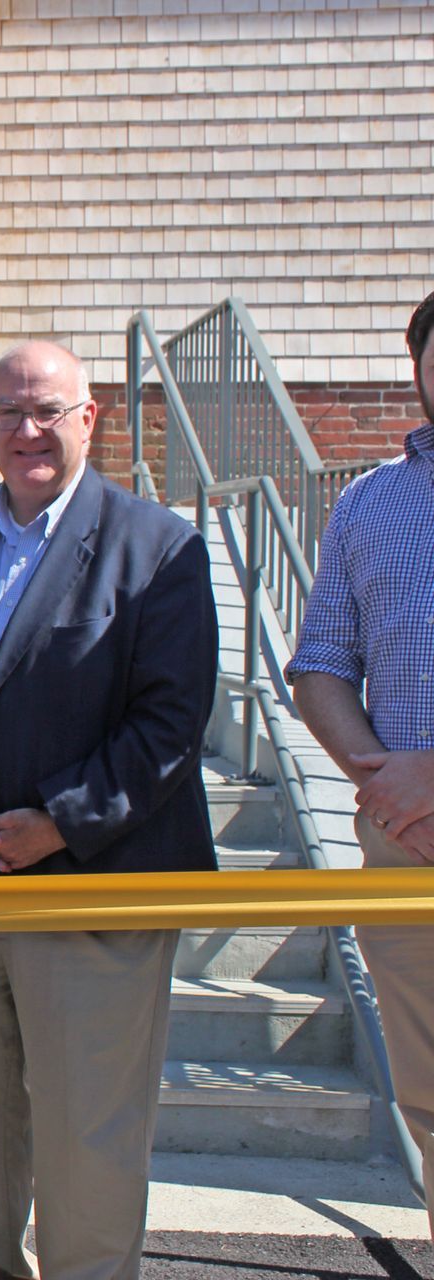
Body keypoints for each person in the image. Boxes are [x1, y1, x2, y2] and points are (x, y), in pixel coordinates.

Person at [0, 339, 218, 1280]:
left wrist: (58, 822)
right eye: (8, 412)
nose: (26, 430)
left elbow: (170, 725)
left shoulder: (159, 547)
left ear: (89, 418)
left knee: (88, 1135)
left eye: (47, 411)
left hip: (94, 891)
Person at [288, 287, 434, 1241]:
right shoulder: (370, 502)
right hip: (403, 841)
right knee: (429, 1090)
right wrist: (385, 783)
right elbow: (322, 664)